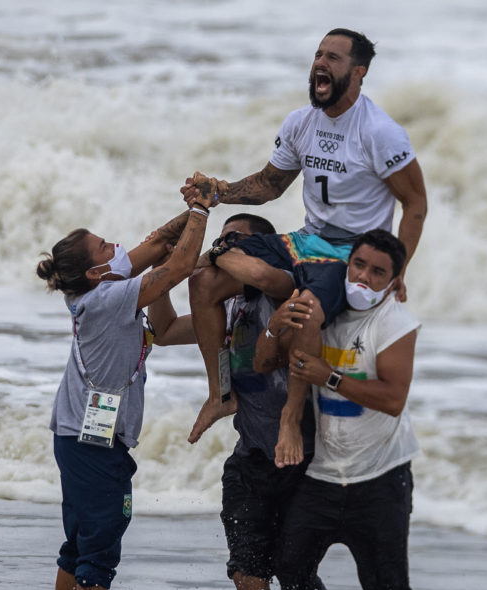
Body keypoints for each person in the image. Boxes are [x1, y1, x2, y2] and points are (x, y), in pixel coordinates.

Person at [179, 28, 428, 465]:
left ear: (358, 71)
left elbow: (416, 204)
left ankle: (291, 418)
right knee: (204, 278)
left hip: (350, 253)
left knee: (306, 311)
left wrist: (397, 270)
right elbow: (269, 185)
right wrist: (218, 192)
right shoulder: (300, 122)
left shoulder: (380, 132)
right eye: (317, 55)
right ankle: (220, 393)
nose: (320, 63)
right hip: (304, 240)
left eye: (333, 57)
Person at [36, 184, 219, 590]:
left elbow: (158, 246)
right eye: (106, 246)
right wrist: (200, 211)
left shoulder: (92, 287)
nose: (117, 246)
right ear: (98, 270)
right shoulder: (109, 298)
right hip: (92, 443)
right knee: (99, 551)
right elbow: (176, 267)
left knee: (77, 545)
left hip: (75, 434)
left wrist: (196, 202)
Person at [149, 213, 342, 590]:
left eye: (235, 241)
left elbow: (267, 279)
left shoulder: (292, 291)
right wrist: (161, 270)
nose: (224, 250)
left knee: (296, 575)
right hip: (252, 456)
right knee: (246, 572)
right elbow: (162, 331)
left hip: (301, 457)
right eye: (221, 241)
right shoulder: (225, 308)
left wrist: (215, 253)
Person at [254, 228, 424, 590]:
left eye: (378, 272)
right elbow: (264, 361)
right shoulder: (321, 310)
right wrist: (276, 327)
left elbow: (394, 398)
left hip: (380, 478)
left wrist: (328, 376)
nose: (363, 278)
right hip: (324, 477)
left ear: (394, 281)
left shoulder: (395, 323)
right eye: (358, 265)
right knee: (290, 569)